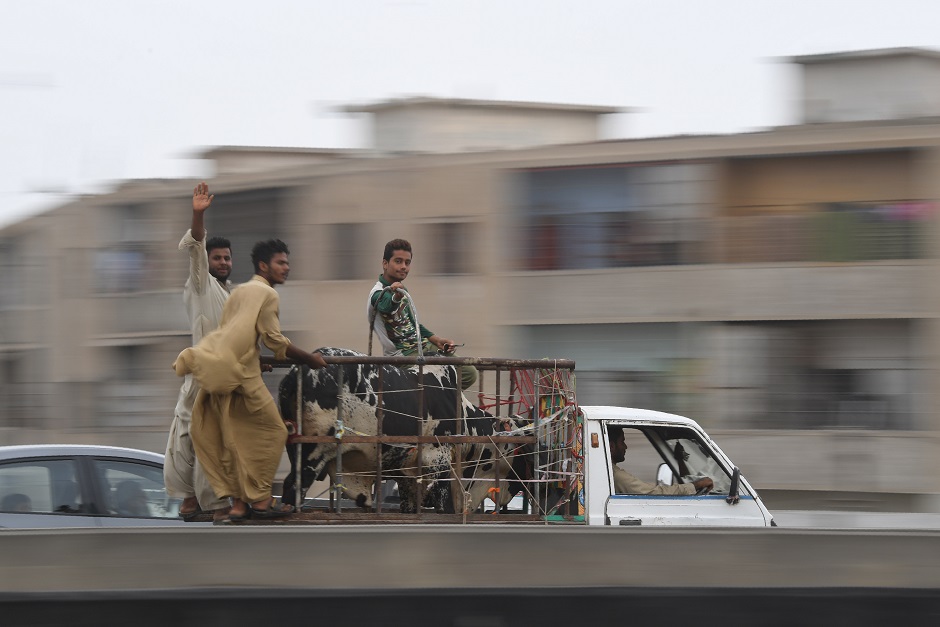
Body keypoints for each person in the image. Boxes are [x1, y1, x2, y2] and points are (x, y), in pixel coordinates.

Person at [174, 239, 328, 523]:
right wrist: (310, 359)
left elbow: (234, 332)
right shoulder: (267, 294)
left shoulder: (241, 290)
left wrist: (256, 356)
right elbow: (274, 339)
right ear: (263, 265)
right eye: (281, 263)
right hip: (241, 375)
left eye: (287, 263)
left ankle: (239, 506)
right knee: (274, 433)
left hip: (219, 367)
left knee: (237, 438)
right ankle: (260, 500)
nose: (286, 268)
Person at [165, 182, 233, 524]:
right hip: (201, 373)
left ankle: (208, 501)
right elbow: (196, 246)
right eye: (216, 257)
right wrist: (198, 213)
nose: (222, 262)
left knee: (209, 435)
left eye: (226, 258)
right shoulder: (200, 283)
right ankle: (203, 500)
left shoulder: (230, 295)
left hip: (225, 377)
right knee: (190, 431)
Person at [368, 238, 477, 390]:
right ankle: (435, 405)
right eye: (398, 261)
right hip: (402, 356)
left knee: (468, 373)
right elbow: (386, 306)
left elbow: (413, 324)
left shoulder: (403, 291)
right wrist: (397, 296)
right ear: (385, 263)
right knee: (433, 385)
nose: (404, 267)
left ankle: (437, 403)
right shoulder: (377, 293)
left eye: (407, 262)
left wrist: (436, 340)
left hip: (422, 347)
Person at [608, 427, 714, 495]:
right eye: (622, 442)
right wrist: (695, 485)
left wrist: (680, 461)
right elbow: (653, 493)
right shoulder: (616, 476)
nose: (625, 447)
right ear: (612, 446)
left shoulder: (610, 473)